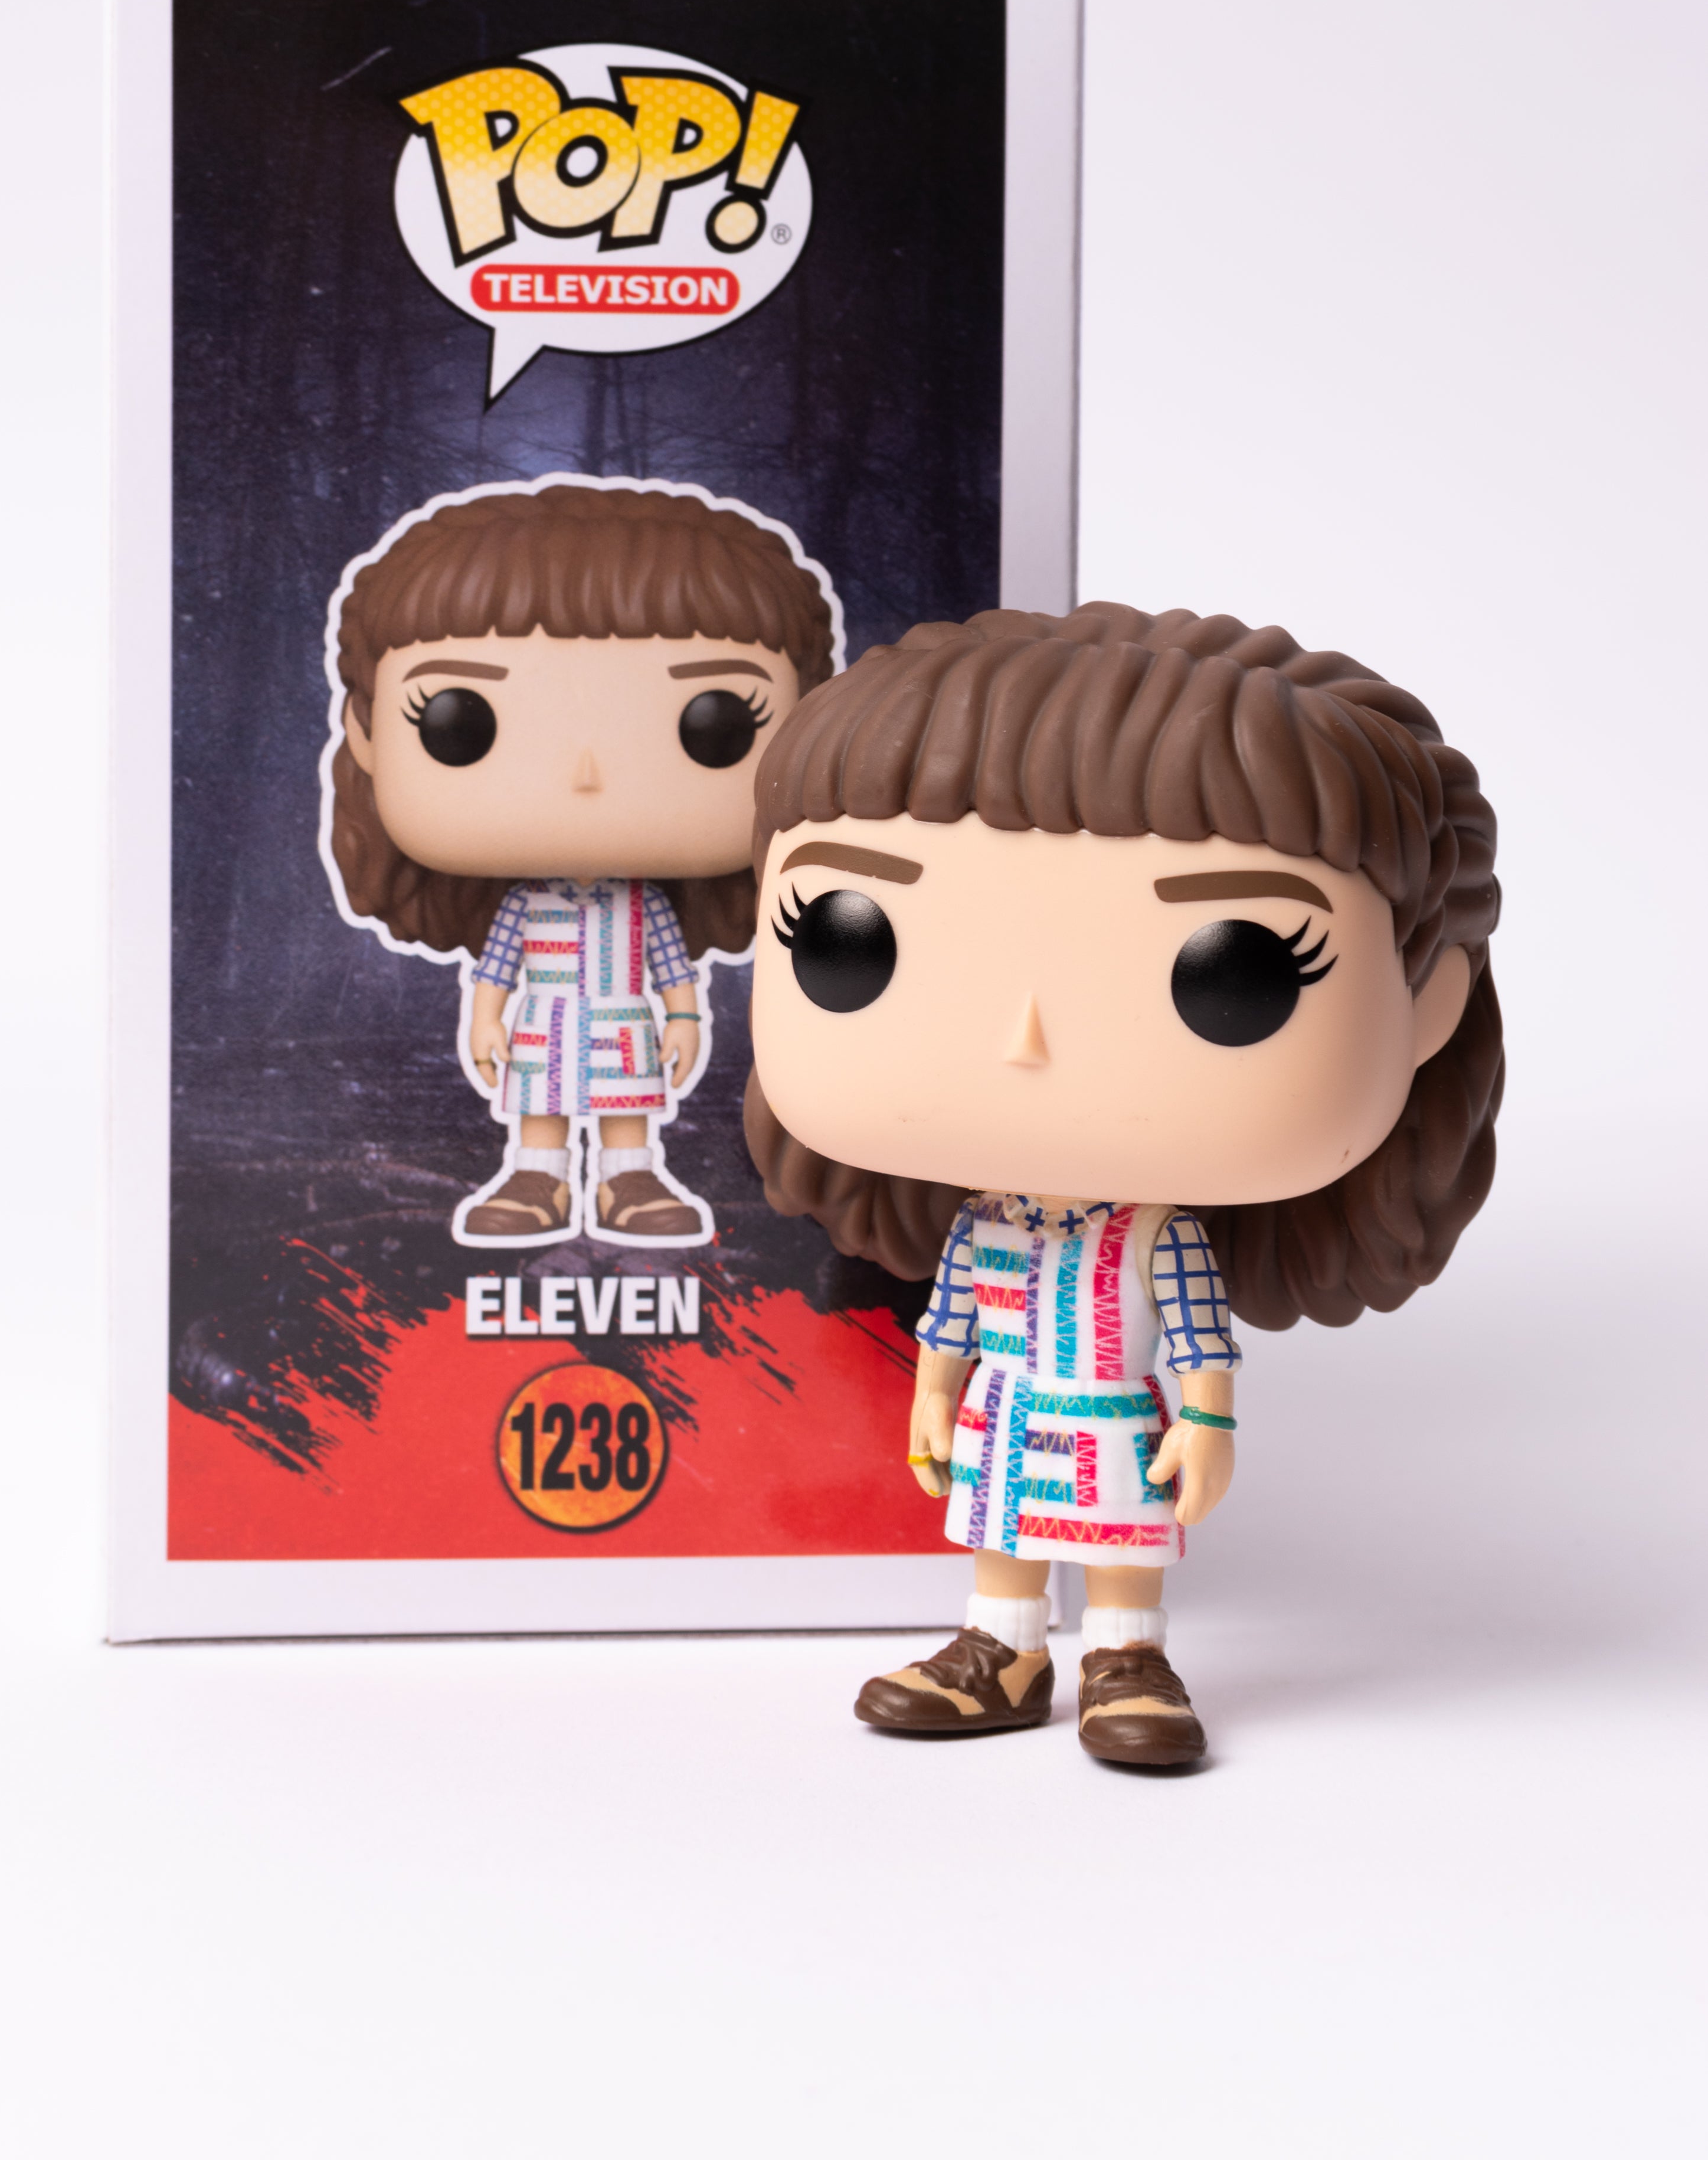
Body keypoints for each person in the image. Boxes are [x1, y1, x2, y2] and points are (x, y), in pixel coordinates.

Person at [745, 602, 1501, 1763]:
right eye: (851, 937)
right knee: (1001, 1526)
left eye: (1234, 973)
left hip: (1110, 1413)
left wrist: (1207, 1420)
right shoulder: (987, 1224)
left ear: (1425, 1013)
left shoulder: (1157, 1237)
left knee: (1122, 1535)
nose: (1027, 1040)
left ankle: (1126, 1657)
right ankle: (999, 1648)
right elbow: (951, 1315)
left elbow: (1196, 1335)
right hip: (1009, 1407)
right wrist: (935, 1393)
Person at [323, 476, 837, 1245]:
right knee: (542, 1105)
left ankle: (630, 1178)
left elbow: (671, 968)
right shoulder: (527, 907)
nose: (587, 774)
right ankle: (539, 1177)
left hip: (624, 1020)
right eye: (460, 722)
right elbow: (499, 967)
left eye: (717, 723)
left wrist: (685, 1019)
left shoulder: (645, 907)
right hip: (546, 1021)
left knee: (627, 1107)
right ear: (366, 736)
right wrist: (485, 1019)